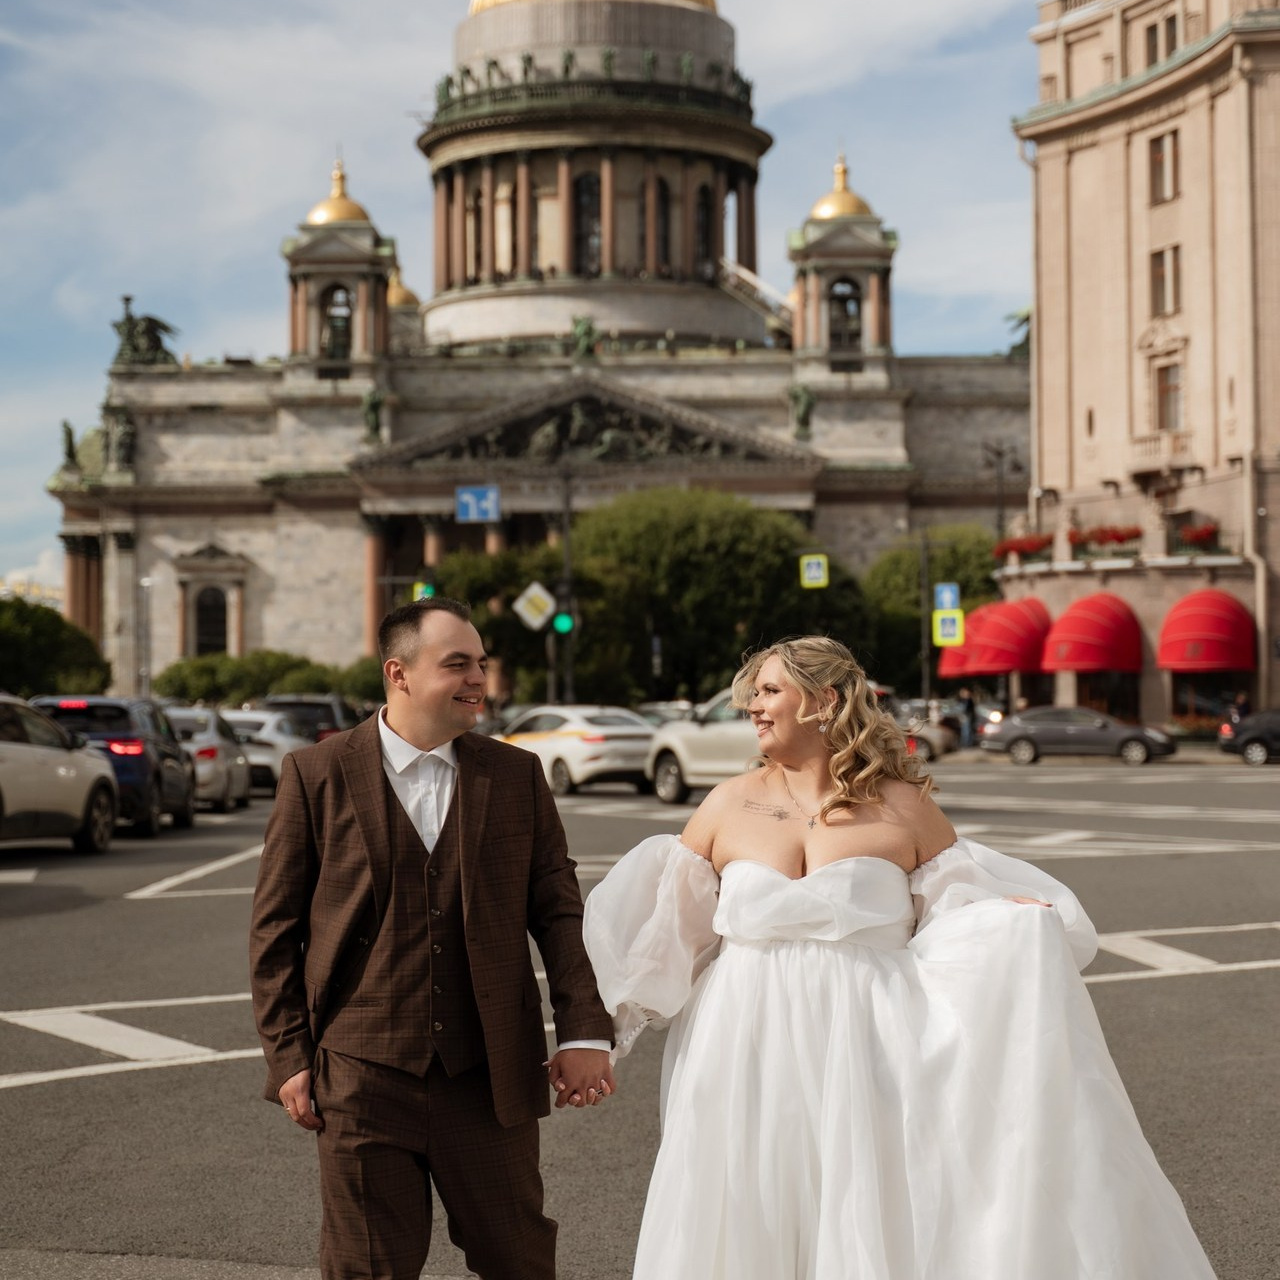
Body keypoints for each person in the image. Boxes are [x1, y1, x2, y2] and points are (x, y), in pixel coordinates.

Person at [584, 636, 1217, 1280]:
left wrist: (1014, 925)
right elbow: (667, 935)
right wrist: (603, 1039)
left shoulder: (904, 806)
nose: (753, 705)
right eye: (754, 692)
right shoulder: (725, 803)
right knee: (745, 1202)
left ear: (824, 701)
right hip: (741, 1040)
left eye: (770, 690)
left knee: (865, 1203)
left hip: (869, 1042)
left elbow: (959, 913)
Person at [250, 597, 614, 1280]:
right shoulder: (315, 775)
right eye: (458, 664)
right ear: (400, 673)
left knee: (519, 1260)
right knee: (368, 1269)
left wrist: (584, 1031)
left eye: (481, 663)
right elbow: (276, 930)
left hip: (487, 1075)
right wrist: (288, 1056)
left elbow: (559, 912)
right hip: (359, 1077)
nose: (479, 678)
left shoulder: (514, 776)